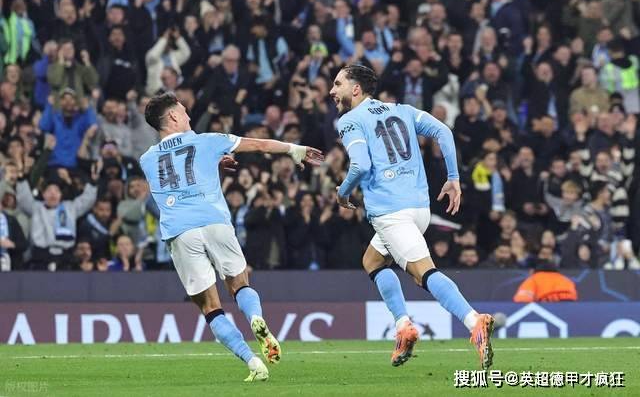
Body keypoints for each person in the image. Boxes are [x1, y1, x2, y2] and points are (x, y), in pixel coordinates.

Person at [139, 92, 323, 381]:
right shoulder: (208, 140)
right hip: (214, 221)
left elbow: (178, 174)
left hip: (179, 231)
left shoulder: (147, 159)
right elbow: (260, 144)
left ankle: (252, 362)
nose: (189, 115)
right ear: (173, 116)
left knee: (210, 307)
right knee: (239, 285)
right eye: (184, 111)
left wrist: (212, 165)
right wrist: (293, 149)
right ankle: (255, 318)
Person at [330, 64, 494, 369]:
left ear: (356, 89)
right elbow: (443, 131)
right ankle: (403, 326)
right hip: (419, 208)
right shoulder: (402, 110)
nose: (332, 90)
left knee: (423, 274)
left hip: (391, 213)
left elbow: (361, 166)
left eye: (338, 84)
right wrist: (453, 177)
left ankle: (474, 321)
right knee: (372, 261)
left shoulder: (350, 120)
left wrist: (343, 192)